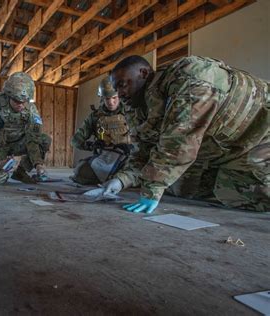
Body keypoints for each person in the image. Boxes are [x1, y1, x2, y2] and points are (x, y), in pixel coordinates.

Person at [103, 55, 269, 213]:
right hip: (224, 148)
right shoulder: (137, 107)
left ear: (144, 74)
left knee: (256, 195)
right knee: (182, 189)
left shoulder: (190, 78)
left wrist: (152, 189)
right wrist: (122, 180)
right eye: (116, 88)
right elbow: (142, 151)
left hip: (260, 137)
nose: (119, 93)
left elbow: (180, 141)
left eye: (122, 85)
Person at [0, 72, 51, 185]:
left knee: (44, 139)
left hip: (18, 143)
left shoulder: (31, 109)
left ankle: (20, 172)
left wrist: (38, 164)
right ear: (8, 95)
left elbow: (33, 139)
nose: (21, 105)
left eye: (24, 101)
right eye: (17, 101)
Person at [71, 77, 134, 185]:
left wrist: (134, 146)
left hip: (130, 157)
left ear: (119, 95)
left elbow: (147, 134)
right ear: (102, 98)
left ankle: (122, 178)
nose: (111, 102)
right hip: (106, 158)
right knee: (80, 171)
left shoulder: (131, 111)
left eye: (114, 98)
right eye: (107, 98)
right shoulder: (95, 117)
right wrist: (91, 145)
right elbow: (75, 140)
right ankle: (123, 179)